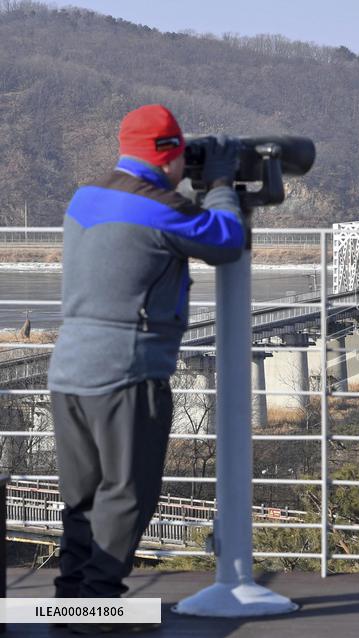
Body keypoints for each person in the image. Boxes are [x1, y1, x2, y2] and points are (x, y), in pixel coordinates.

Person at [47, 104, 244, 633]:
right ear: (170, 153)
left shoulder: (86, 196)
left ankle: (72, 606)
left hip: (67, 373)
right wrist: (221, 183)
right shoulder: (159, 209)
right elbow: (226, 240)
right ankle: (98, 614)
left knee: (83, 499)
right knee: (127, 495)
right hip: (126, 375)